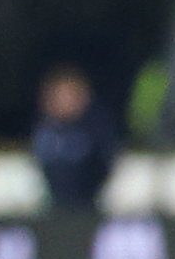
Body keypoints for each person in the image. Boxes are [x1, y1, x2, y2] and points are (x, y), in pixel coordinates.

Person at [32, 65, 116, 213]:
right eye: (58, 95)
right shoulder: (43, 130)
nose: (63, 100)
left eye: (68, 94)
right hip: (51, 209)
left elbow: (104, 164)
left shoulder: (95, 130)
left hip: (88, 210)